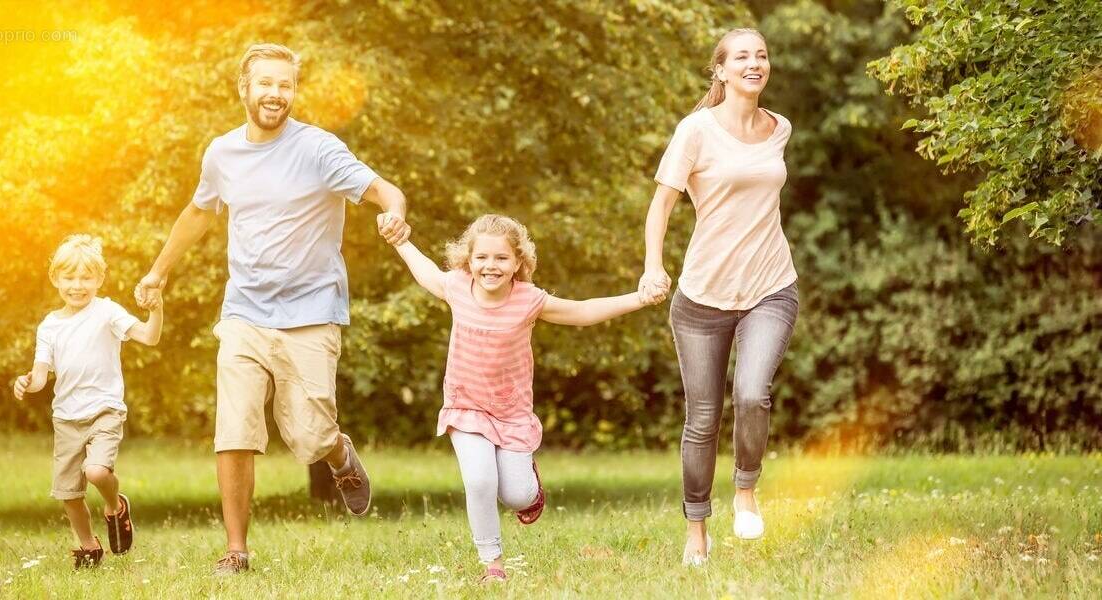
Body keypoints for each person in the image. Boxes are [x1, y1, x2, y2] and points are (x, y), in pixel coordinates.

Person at [132, 43, 411, 575]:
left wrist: (394, 215)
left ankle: (339, 455)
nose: (275, 94)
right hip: (244, 313)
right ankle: (236, 550)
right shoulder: (222, 154)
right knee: (233, 428)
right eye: (265, 83)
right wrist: (158, 270)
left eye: (285, 85)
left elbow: (383, 191)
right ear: (244, 87)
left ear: (293, 92)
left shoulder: (318, 149)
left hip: (311, 313)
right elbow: (198, 212)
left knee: (309, 436)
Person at [389, 214, 659, 582]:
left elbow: (582, 311)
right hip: (465, 407)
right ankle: (493, 565)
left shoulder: (529, 300)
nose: (490, 266)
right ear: (469, 259)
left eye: (501, 258)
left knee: (516, 496)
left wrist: (639, 298)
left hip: (511, 413)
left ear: (518, 263)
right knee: (479, 481)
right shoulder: (456, 287)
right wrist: (400, 242)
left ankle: (530, 488)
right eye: (481, 257)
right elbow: (426, 272)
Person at [639, 28, 800, 566]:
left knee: (753, 393)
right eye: (742, 57)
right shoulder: (696, 131)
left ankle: (747, 489)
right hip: (703, 296)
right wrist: (652, 267)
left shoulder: (780, 129)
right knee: (702, 417)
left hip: (770, 286)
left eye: (761, 54)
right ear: (721, 71)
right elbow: (661, 204)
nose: (754, 64)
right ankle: (696, 532)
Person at [13, 234, 163, 569]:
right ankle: (88, 546)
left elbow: (150, 337)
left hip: (105, 410)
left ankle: (115, 507)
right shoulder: (49, 326)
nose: (77, 285)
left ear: (99, 279)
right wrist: (27, 382)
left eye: (86, 277)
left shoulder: (107, 311)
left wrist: (157, 310)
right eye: (69, 277)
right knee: (68, 493)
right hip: (66, 418)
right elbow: (41, 375)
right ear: (55, 278)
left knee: (96, 472)